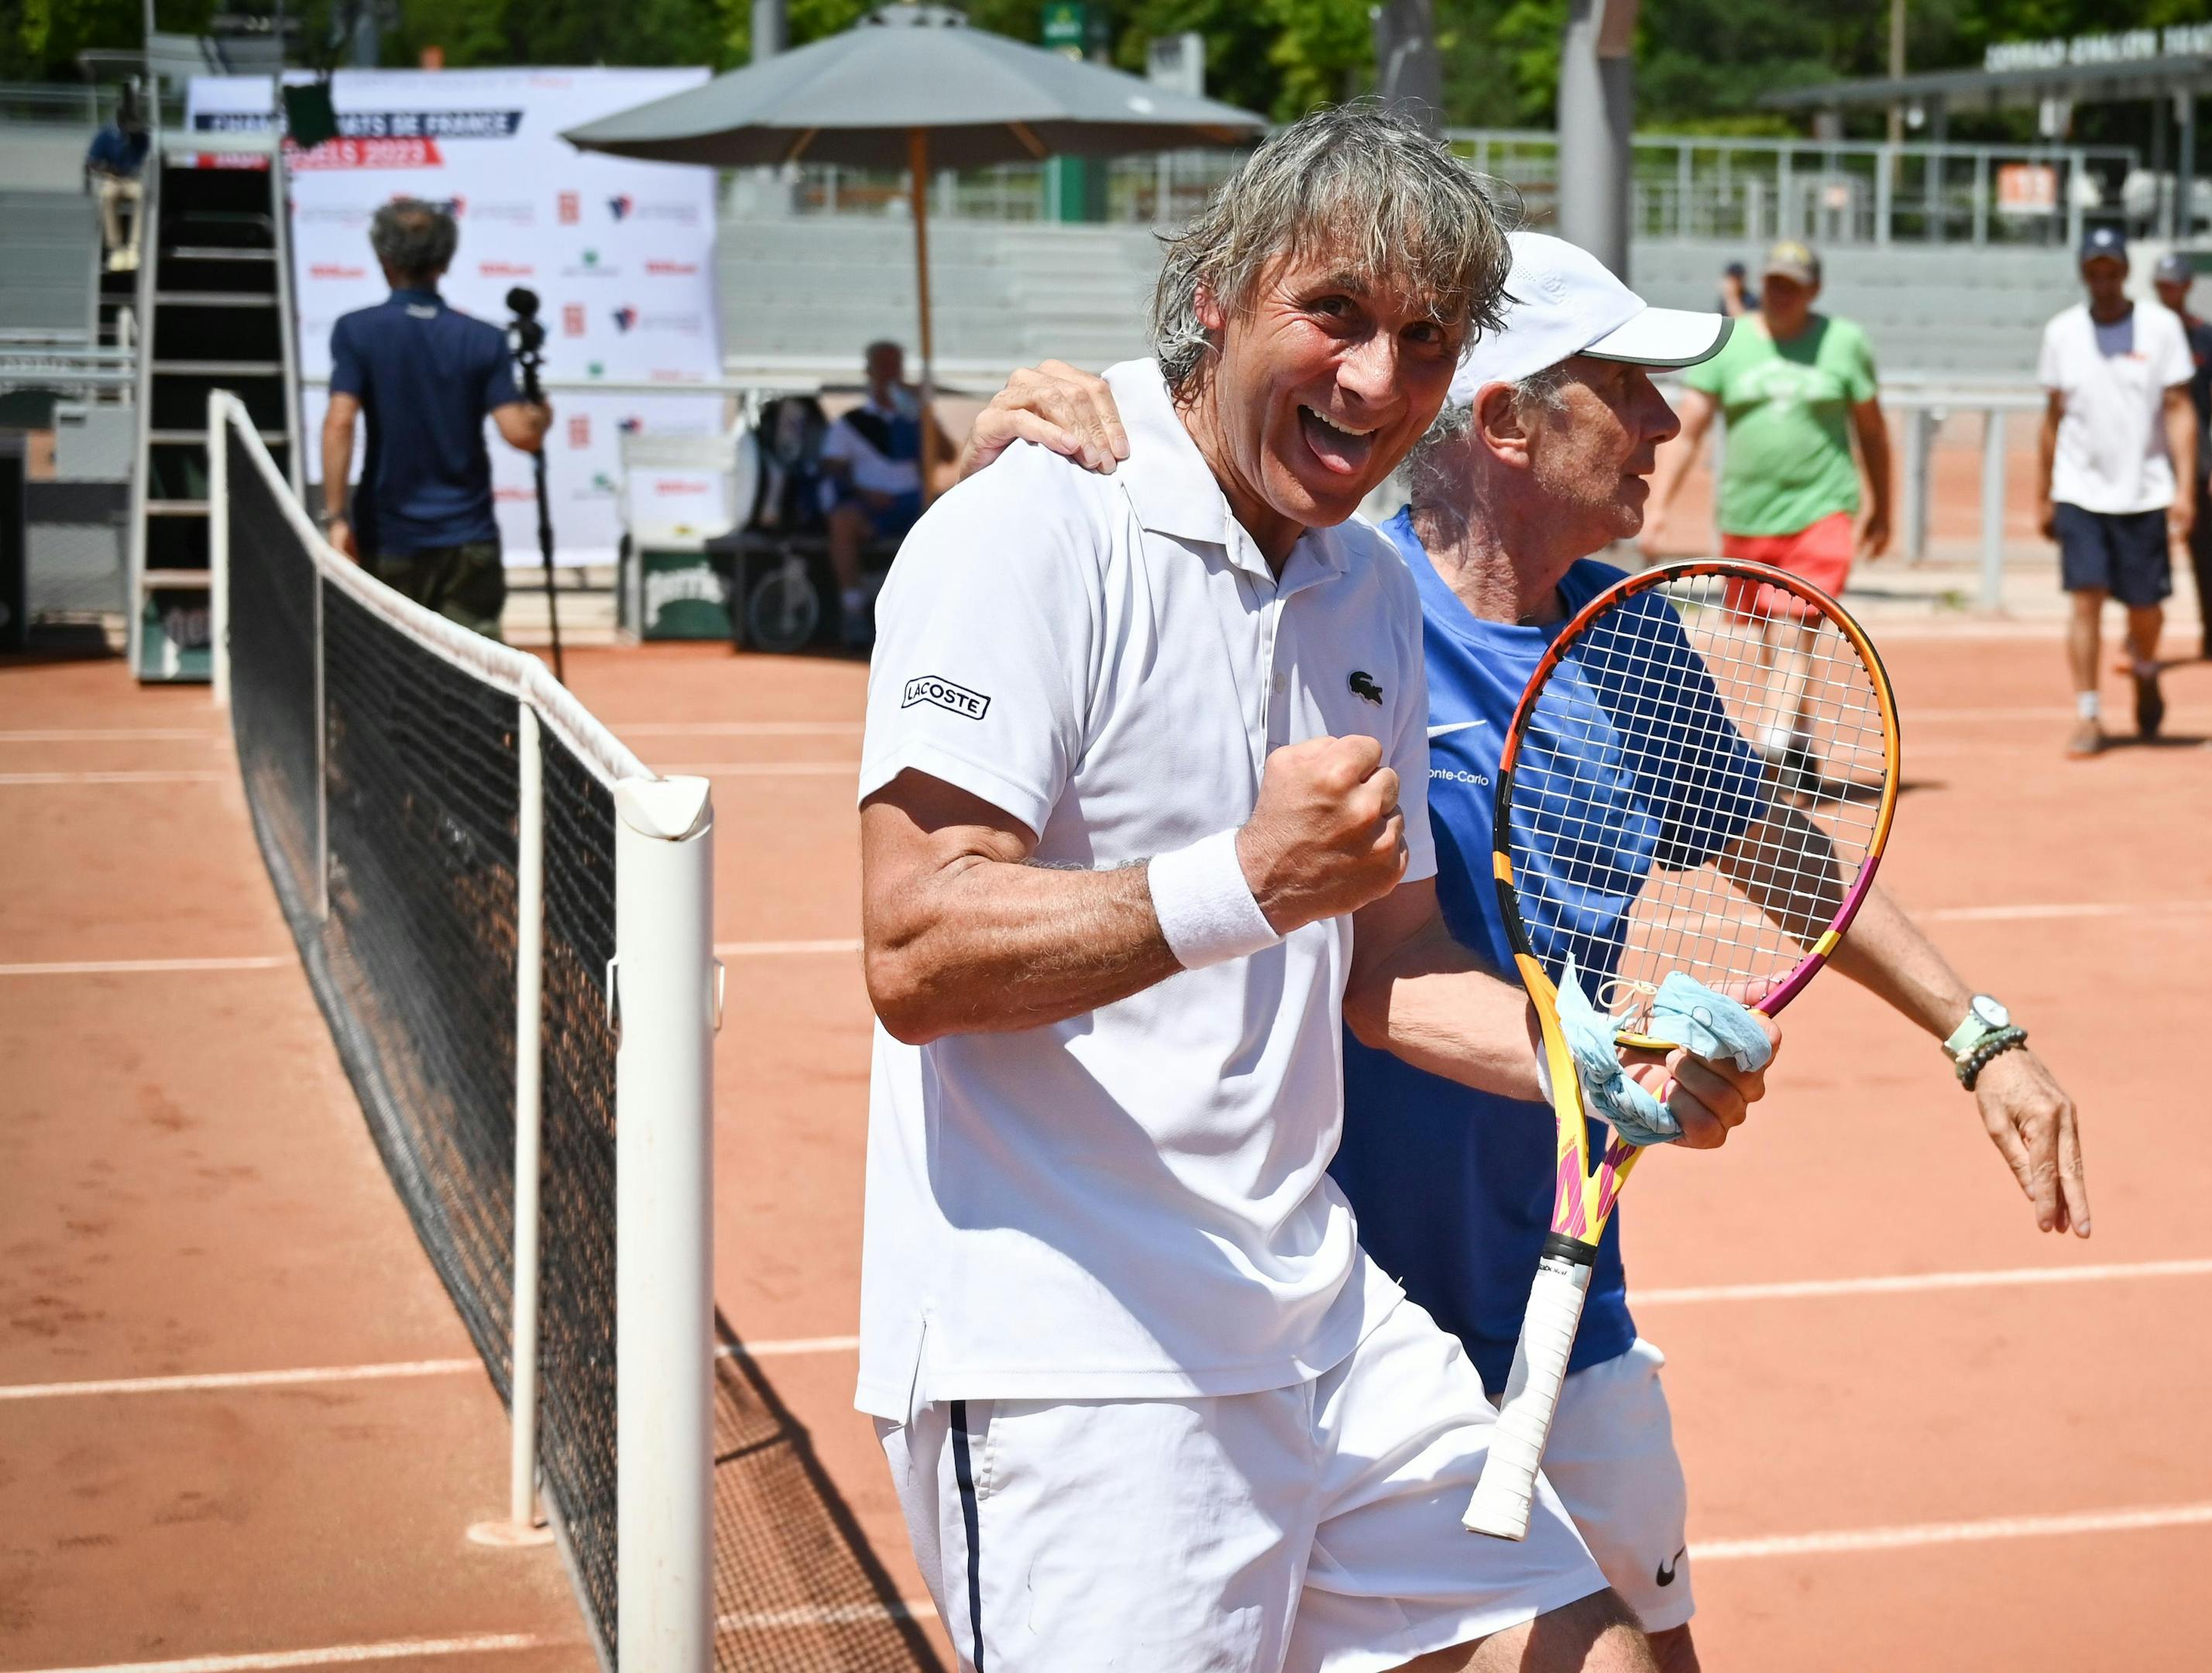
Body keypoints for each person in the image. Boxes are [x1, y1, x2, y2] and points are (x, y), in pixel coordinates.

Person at [963, 231, 2094, 1673]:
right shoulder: (1329, 615)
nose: (1670, 426)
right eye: (1626, 388)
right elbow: (1364, 965)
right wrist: (1032, 435)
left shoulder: (1624, 639)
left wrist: (1975, 1032)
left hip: (1567, 1279)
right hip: (1334, 1317)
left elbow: (1777, 849)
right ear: (1504, 419)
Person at [853, 106, 1774, 1673]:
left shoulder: (1363, 588)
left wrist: (1589, 1063)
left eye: (1423, 340)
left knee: (1597, 1651)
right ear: (1217, 292)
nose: (1373, 380)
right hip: (1084, 1363)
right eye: (1333, 313)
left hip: (1314, 1312)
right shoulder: (1029, 527)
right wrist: (1240, 881)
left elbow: (1389, 957)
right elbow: (916, 943)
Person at [1641, 239, 1894, 783]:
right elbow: (1691, 430)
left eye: (1794, 287)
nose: (1782, 295)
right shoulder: (1733, 346)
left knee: (1791, 631)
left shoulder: (1843, 343)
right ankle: (1801, 748)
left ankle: (1770, 753)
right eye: (1775, 283)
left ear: (1814, 291)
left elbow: (1872, 432)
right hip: (1748, 517)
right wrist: (1658, 505)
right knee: (1768, 640)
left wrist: (1884, 507)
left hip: (1821, 511)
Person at [318, 199, 551, 639]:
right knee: (473, 681)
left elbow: (340, 423)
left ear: (383, 260)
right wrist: (542, 403)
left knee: (386, 672)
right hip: (469, 540)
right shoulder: (484, 339)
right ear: (444, 261)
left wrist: (336, 518)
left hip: (389, 538)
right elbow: (523, 434)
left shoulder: (356, 330)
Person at [2035, 224, 2196, 757]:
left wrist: (2185, 488)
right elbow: (2052, 418)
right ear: (2083, 274)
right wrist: (2044, 493)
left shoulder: (2161, 328)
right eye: (2093, 272)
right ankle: (2088, 713)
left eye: (2111, 271)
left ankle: (2146, 670)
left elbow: (2178, 409)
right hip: (2079, 490)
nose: (2102, 281)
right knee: (2085, 600)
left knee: (2145, 607)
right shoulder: (2061, 333)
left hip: (2144, 492)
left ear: (2125, 272)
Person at [821, 340, 948, 647]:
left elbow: (947, 453)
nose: (891, 374)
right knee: (842, 521)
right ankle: (853, 609)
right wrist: (866, 494)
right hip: (870, 508)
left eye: (896, 366)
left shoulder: (915, 418)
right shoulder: (853, 423)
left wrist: (924, 413)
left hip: (912, 505)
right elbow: (832, 467)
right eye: (884, 367)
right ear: (870, 372)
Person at [2152, 253, 2212, 662]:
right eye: (2160, 284)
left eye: (2172, 284)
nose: (2165, 292)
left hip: (2196, 461)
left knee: (2204, 553)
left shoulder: (2210, 339)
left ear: (2188, 286)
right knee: (2145, 553)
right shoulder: (2143, 334)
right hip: (2150, 462)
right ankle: (2141, 638)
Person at [83, 87, 148, 273]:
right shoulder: (106, 135)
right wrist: (108, 169)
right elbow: (91, 162)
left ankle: (135, 247)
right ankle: (116, 248)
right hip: (113, 178)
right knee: (108, 194)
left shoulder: (141, 137)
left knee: (143, 195)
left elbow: (147, 157)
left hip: (133, 179)